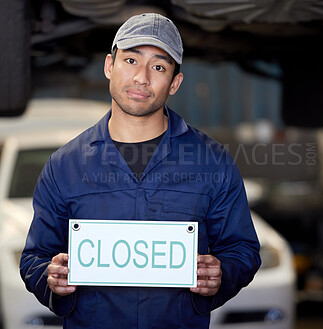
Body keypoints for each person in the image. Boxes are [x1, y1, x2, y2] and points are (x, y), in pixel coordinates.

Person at [20, 13, 261, 329]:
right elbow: (34, 258)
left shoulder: (211, 162)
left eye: (159, 67)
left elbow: (242, 249)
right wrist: (49, 277)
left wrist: (222, 274)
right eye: (131, 60)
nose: (142, 77)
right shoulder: (65, 165)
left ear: (174, 83)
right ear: (110, 66)